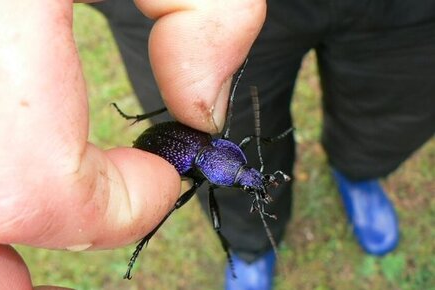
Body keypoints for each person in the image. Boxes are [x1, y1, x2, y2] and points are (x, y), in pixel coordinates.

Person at [0, 1, 265, 289]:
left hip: (178, 138)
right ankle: (248, 255)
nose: (245, 175)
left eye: (241, 176)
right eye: (244, 175)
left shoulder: (220, 151)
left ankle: (247, 256)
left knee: (192, 112)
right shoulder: (212, 149)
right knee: (188, 109)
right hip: (161, 147)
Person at [92, 1, 435, 289]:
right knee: (197, 100)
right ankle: (248, 249)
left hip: (406, 15)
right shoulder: (216, 150)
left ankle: (360, 172)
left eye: (245, 171)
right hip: (201, 10)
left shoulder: (224, 151)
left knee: (388, 118)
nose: (253, 177)